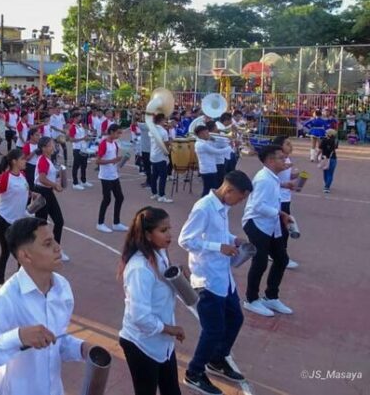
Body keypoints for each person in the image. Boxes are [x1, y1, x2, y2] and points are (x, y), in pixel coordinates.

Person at [0, 217, 93, 395]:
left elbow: (55, 340)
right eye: (47, 243)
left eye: (55, 240)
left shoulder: (62, 288)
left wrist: (81, 348)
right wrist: (17, 337)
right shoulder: (7, 299)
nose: (58, 247)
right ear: (25, 256)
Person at [179, 171, 253, 395]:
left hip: (223, 276)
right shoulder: (204, 208)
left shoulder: (223, 207)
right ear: (229, 190)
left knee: (235, 318)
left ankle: (217, 359)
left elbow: (218, 233)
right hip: (207, 278)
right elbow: (186, 239)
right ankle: (194, 372)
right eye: (240, 197)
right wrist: (218, 247)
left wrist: (233, 239)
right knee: (213, 329)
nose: (240, 202)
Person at [118, 207, 183, 395]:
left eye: (169, 229)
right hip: (141, 344)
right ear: (147, 234)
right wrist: (171, 329)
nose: (169, 235)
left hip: (162, 342)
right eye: (163, 231)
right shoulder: (140, 269)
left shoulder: (160, 253)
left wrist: (179, 275)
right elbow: (139, 316)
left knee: (172, 390)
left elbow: (164, 287)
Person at [242, 145, 294, 317]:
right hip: (256, 223)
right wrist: (280, 213)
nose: (285, 160)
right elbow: (257, 206)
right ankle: (251, 299)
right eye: (281, 157)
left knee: (281, 259)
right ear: (270, 161)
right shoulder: (264, 178)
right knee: (260, 262)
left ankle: (271, 296)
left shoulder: (273, 177)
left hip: (271, 224)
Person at [0, 149, 30, 287]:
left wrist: (33, 194)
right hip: (3, 219)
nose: (25, 161)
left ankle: (21, 281)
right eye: (23, 159)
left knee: (21, 251)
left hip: (18, 220)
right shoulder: (5, 177)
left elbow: (25, 191)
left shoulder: (22, 175)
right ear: (14, 161)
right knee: (6, 251)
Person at [33, 137, 68, 262]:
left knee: (58, 221)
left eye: (52, 145)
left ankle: (55, 249)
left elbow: (47, 175)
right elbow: (42, 179)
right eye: (49, 145)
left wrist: (59, 175)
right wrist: (55, 185)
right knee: (41, 224)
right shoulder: (43, 160)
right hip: (42, 193)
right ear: (43, 148)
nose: (52, 147)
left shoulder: (48, 159)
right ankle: (39, 252)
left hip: (47, 192)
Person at [271, 136, 299, 269]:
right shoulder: (277, 162)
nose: (290, 146)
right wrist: (285, 184)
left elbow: (286, 177)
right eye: (287, 144)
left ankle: (274, 252)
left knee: (280, 227)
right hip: (279, 198)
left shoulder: (287, 159)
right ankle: (282, 257)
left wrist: (294, 176)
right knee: (284, 228)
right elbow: (272, 180)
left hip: (286, 197)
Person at [95, 124, 127, 233]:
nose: (119, 135)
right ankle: (100, 223)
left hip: (114, 175)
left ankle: (116, 223)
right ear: (112, 132)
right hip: (105, 176)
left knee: (120, 197)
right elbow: (97, 161)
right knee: (107, 199)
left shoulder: (114, 144)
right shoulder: (104, 144)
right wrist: (112, 161)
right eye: (118, 132)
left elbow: (114, 159)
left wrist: (119, 161)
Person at [194, 125, 231, 196]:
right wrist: (230, 147)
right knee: (208, 190)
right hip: (208, 170)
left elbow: (214, 145)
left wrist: (215, 140)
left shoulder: (203, 142)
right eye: (206, 133)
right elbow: (217, 152)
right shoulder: (201, 144)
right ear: (201, 134)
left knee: (209, 189)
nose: (208, 135)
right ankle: (203, 204)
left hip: (209, 169)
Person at [149, 114, 172, 203]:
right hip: (161, 156)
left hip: (153, 155)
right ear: (161, 120)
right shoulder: (163, 131)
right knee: (163, 176)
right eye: (164, 120)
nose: (165, 122)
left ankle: (154, 193)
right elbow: (166, 144)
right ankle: (161, 195)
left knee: (154, 176)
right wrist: (169, 146)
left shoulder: (152, 130)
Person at [68, 112, 91, 190]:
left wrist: (87, 138)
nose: (80, 118)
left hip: (83, 148)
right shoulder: (73, 127)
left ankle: (83, 181)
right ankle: (75, 183)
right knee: (76, 166)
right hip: (77, 149)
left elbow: (83, 136)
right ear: (75, 118)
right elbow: (71, 139)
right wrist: (82, 139)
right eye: (79, 117)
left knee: (84, 165)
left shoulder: (80, 126)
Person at [318, 129, 338, 193]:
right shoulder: (335, 141)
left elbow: (320, 150)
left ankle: (326, 184)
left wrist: (316, 156)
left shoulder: (324, 140)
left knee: (325, 172)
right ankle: (327, 186)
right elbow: (335, 147)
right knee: (330, 173)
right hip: (332, 158)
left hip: (324, 158)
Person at [21, 127, 41, 192]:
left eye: (39, 135)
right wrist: (34, 152)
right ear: (31, 136)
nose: (39, 137)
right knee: (31, 186)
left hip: (38, 167)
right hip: (30, 167)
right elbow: (24, 159)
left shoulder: (39, 144)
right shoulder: (27, 145)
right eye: (37, 135)